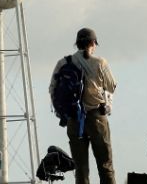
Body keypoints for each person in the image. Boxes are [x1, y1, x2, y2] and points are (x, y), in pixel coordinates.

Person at [50, 27, 116, 184]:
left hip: (74, 120)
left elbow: (52, 89)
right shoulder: (100, 63)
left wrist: (63, 113)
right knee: (105, 165)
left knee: (80, 168)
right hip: (97, 119)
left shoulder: (64, 63)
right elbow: (112, 86)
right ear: (93, 43)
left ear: (77, 44)